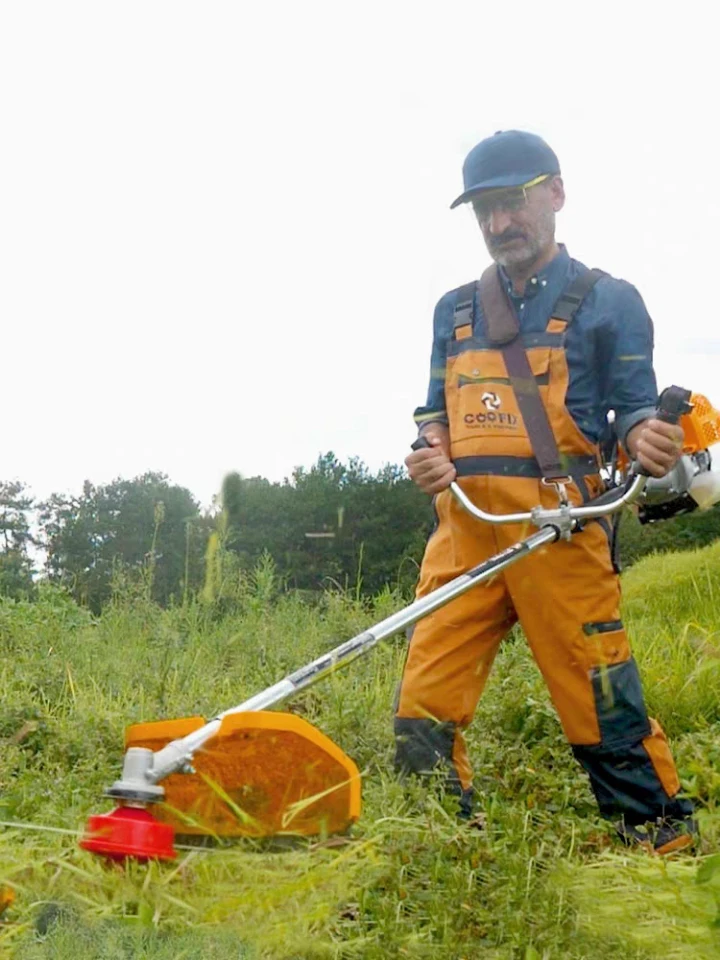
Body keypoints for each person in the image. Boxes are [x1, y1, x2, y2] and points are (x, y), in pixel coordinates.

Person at [395, 129, 697, 855]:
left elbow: (633, 419)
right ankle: (441, 851)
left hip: (558, 534)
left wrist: (649, 444)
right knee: (422, 709)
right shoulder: (454, 310)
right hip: (463, 533)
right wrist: (430, 453)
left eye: (514, 202)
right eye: (486, 210)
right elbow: (432, 415)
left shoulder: (608, 303)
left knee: (601, 707)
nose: (501, 223)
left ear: (555, 193)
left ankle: (661, 847)